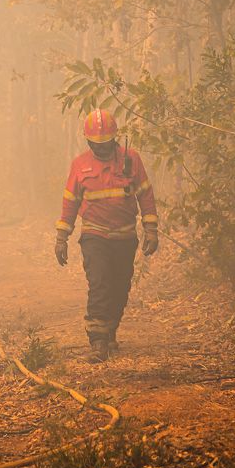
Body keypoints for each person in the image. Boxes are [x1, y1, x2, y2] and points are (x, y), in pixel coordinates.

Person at [55, 109, 159, 362]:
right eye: (96, 144)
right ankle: (98, 341)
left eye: (106, 144)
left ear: (115, 139)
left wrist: (151, 228)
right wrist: (62, 237)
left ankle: (110, 330)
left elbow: (145, 194)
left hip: (124, 238)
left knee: (120, 286)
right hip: (95, 236)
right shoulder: (79, 165)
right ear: (88, 141)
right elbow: (70, 202)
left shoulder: (131, 160)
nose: (101, 149)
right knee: (100, 284)